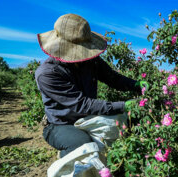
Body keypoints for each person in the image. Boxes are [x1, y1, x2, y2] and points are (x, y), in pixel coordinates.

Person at [35, 13, 148, 158]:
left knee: (130, 123)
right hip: (61, 124)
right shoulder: (47, 73)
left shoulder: (90, 61)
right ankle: (67, 159)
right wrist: (123, 105)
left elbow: (112, 78)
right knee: (81, 144)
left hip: (89, 117)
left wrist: (137, 85)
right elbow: (81, 104)